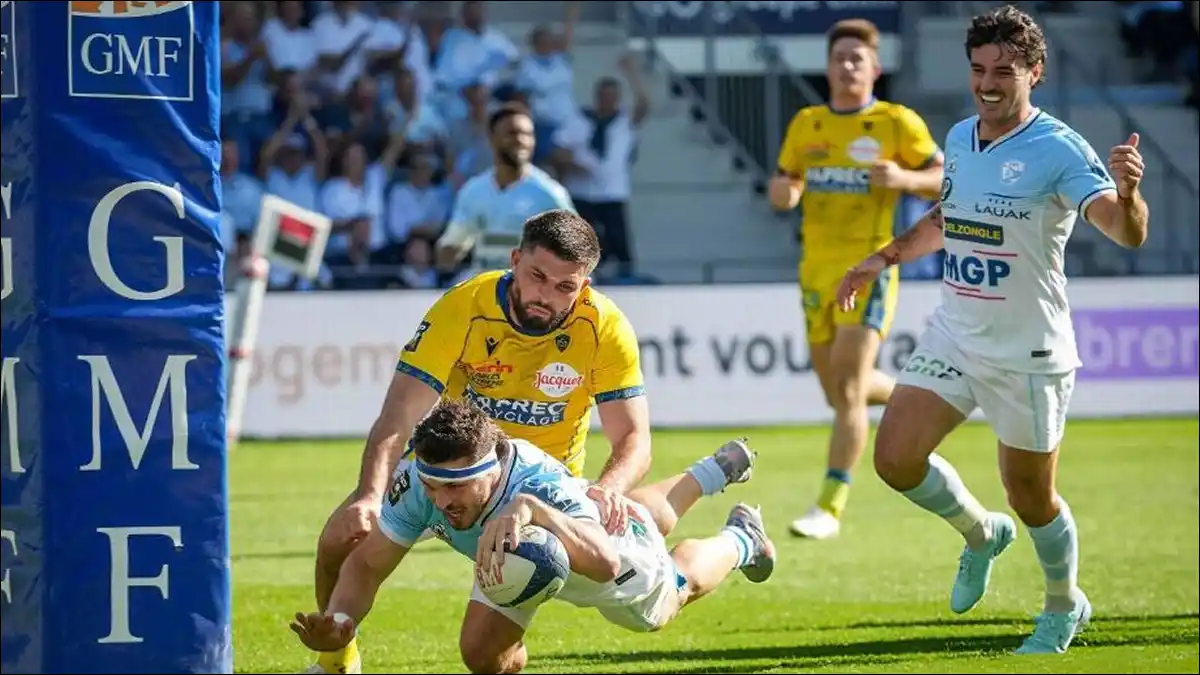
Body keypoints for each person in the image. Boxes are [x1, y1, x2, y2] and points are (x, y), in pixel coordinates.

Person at [303, 209, 756, 674]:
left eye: (566, 287)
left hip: (545, 491)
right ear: (515, 260)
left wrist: (604, 491)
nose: (547, 296)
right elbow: (399, 413)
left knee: (657, 593)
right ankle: (338, 656)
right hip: (458, 466)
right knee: (345, 536)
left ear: (585, 285)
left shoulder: (604, 326)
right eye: (538, 276)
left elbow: (633, 438)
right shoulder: (465, 306)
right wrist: (369, 495)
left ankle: (740, 539)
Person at [836, 5, 1149, 655]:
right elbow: (949, 216)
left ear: (1034, 73)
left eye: (1004, 71)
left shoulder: (1059, 149)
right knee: (894, 458)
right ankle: (981, 533)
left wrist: (1130, 196)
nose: (988, 83)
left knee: (1032, 497)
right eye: (979, 69)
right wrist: (883, 257)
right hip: (957, 330)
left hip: (1029, 351)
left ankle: (1064, 603)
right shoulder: (957, 137)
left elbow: (1122, 230)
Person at [290, 400, 776, 675]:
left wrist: (535, 511)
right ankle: (712, 472)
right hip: (520, 556)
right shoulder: (421, 481)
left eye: (455, 488)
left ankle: (741, 538)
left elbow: (605, 563)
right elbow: (367, 564)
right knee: (481, 658)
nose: (440, 502)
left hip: (590, 547)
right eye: (434, 487)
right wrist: (340, 621)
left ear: (489, 472)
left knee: (670, 592)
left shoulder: (540, 485)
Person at [767, 19, 946, 540]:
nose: (847, 66)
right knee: (840, 391)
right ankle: (924, 397)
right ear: (826, 67)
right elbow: (786, 182)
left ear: (874, 68)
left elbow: (946, 178)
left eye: (857, 58)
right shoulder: (807, 124)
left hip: (868, 269)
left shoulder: (895, 123)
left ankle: (830, 503)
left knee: (846, 388)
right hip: (815, 273)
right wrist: (783, 192)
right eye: (839, 57)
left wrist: (907, 179)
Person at [437, 102, 576, 276]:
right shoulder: (473, 191)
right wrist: (448, 252)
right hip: (486, 291)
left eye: (527, 134)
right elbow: (453, 243)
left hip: (532, 296)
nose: (521, 140)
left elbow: (576, 250)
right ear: (491, 138)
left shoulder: (549, 194)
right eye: (512, 133)